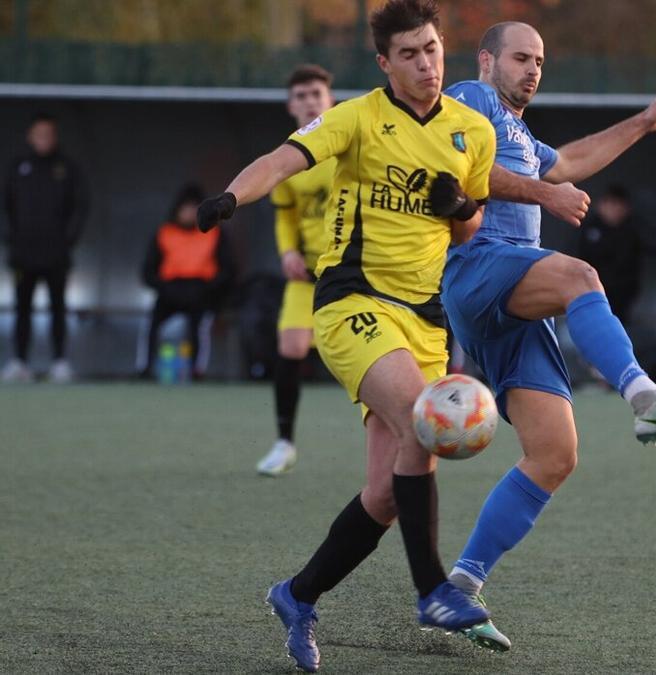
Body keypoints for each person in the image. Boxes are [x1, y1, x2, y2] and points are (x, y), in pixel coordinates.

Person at [195, 1, 496, 670]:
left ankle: (297, 595)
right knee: (425, 419)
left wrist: (460, 209)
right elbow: (283, 158)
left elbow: (470, 227)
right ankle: (433, 591)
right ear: (384, 64)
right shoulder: (357, 117)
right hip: (352, 302)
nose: (426, 62)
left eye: (432, 48)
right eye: (410, 54)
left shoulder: (473, 131)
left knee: (389, 492)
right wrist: (230, 198)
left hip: (424, 320)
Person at [440, 22, 656, 651]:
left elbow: (573, 160)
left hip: (515, 297)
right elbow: (457, 176)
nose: (533, 69)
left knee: (555, 454)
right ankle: (647, 400)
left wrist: (649, 120)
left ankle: (461, 585)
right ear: (488, 60)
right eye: (520, 57)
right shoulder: (471, 99)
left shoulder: (522, 134)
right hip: (478, 267)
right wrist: (546, 192)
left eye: (540, 60)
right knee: (579, 274)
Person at [255, 64, 336, 477]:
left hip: (350, 275)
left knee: (368, 363)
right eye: (301, 96)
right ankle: (284, 442)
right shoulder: (286, 157)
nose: (309, 102)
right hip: (307, 277)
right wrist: (287, 252)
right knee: (289, 349)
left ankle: (398, 442)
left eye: (316, 94)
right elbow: (285, 216)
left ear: (330, 101)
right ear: (291, 105)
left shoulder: (345, 147)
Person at [2, 112, 88, 383]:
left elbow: (81, 206)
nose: (44, 140)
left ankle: (59, 361)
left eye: (49, 134)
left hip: (56, 254)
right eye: (39, 134)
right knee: (22, 308)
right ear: (30, 136)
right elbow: (4, 207)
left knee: (58, 308)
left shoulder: (66, 168)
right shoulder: (17, 167)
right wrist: (11, 238)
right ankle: (19, 362)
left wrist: (67, 240)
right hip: (23, 253)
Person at [138, 183, 235, 381]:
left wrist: (209, 289)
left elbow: (228, 270)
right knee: (150, 324)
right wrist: (162, 287)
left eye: (194, 209)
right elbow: (148, 270)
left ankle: (197, 371)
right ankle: (145, 369)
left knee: (199, 327)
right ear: (177, 209)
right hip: (169, 290)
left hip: (200, 290)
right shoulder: (165, 233)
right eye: (186, 208)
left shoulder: (214, 233)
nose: (189, 213)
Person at [577, 184, 644, 323]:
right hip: (592, 294)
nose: (615, 210)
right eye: (611, 204)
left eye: (619, 205)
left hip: (623, 295)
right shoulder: (588, 229)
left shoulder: (632, 230)